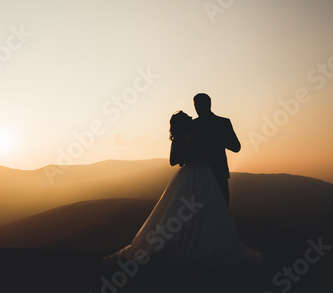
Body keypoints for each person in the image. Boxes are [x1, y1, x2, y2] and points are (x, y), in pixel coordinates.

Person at [105, 111, 248, 267]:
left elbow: (204, 155)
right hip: (194, 174)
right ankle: (190, 245)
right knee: (184, 209)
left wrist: (194, 150)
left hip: (202, 174)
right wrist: (188, 153)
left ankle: (202, 244)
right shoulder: (181, 140)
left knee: (201, 209)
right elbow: (174, 161)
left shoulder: (198, 137)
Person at [193, 93, 240, 207]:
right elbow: (236, 147)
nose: (197, 108)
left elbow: (236, 147)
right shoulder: (223, 122)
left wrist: (214, 139)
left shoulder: (193, 125)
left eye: (197, 105)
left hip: (208, 175)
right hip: (215, 174)